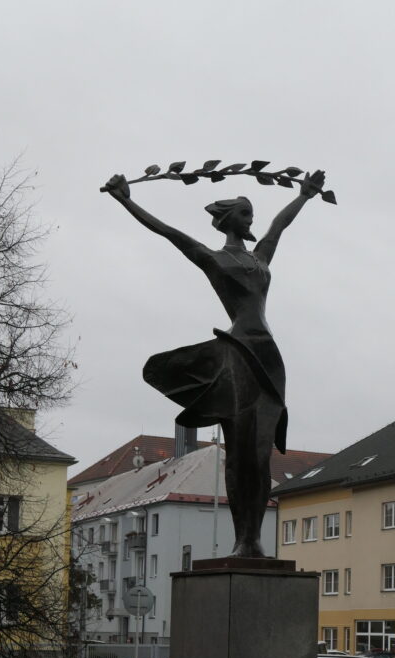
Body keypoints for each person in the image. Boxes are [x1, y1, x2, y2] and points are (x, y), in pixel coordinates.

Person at [102, 169, 325, 557]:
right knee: (239, 454)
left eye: (251, 212)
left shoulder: (260, 258)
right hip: (237, 353)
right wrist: (126, 201)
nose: (251, 218)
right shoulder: (213, 258)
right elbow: (169, 233)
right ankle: (244, 540)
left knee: (260, 456)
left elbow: (279, 226)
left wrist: (305, 195)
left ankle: (255, 540)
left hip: (269, 356)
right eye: (245, 213)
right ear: (228, 219)